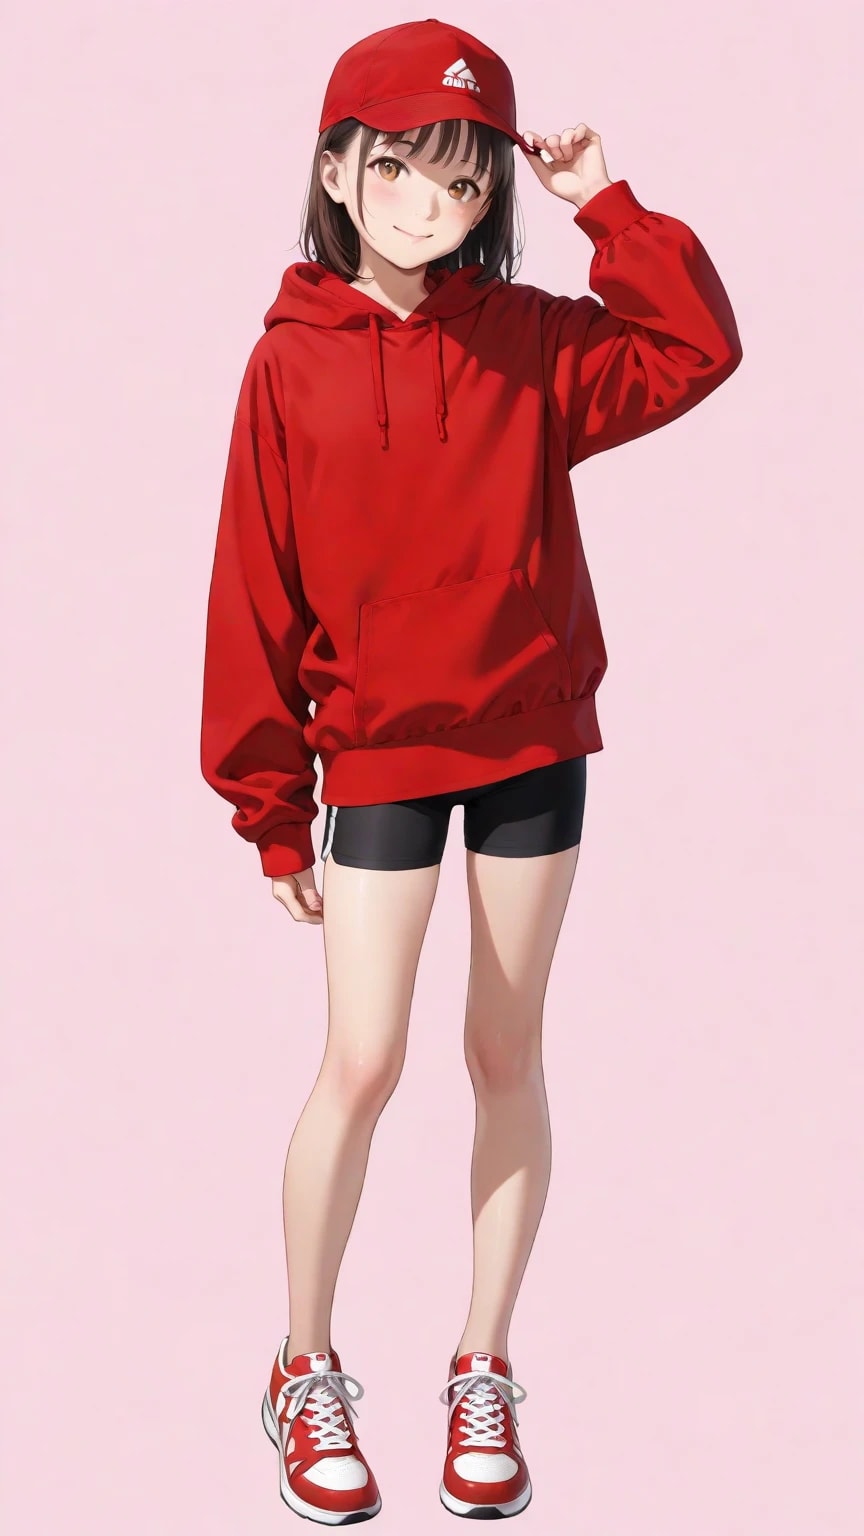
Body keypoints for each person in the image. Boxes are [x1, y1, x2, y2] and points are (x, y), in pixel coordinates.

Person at [200, 16, 742, 1525]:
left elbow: (696, 351)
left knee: (506, 1054)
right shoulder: (286, 366)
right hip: (376, 750)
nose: (429, 204)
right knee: (363, 1063)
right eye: (399, 168)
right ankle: (303, 1363)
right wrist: (269, 808)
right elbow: (252, 592)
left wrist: (606, 206)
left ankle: (482, 1363)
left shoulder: (536, 343)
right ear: (336, 170)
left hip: (530, 745)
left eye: (461, 178)